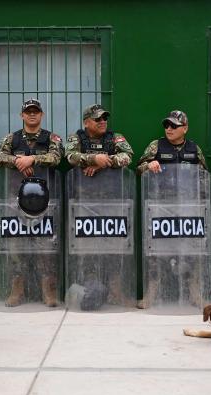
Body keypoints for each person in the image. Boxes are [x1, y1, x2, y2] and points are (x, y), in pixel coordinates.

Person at [136, 110, 208, 309]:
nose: (169, 129)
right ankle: (151, 295)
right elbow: (139, 167)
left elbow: (204, 175)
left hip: (188, 207)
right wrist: (149, 164)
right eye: (167, 125)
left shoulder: (194, 149)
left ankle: (195, 294)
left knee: (193, 253)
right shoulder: (156, 146)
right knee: (157, 252)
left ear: (185, 128)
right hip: (161, 207)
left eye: (174, 126)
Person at [0, 98, 63, 307]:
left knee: (46, 249)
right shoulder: (11, 139)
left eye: (36, 111)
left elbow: (57, 156)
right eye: (28, 112)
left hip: (45, 203)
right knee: (16, 250)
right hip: (16, 202)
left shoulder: (51, 138)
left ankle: (48, 291)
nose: (32, 115)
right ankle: (17, 290)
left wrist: (32, 160)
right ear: (22, 115)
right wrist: (17, 161)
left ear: (41, 115)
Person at [65, 104, 134, 308]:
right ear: (86, 122)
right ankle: (89, 288)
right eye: (97, 119)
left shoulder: (115, 137)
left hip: (112, 202)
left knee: (114, 246)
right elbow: (70, 156)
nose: (103, 121)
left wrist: (104, 162)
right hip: (84, 203)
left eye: (105, 118)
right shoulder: (76, 138)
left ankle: (116, 290)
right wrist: (92, 158)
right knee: (86, 247)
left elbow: (128, 156)